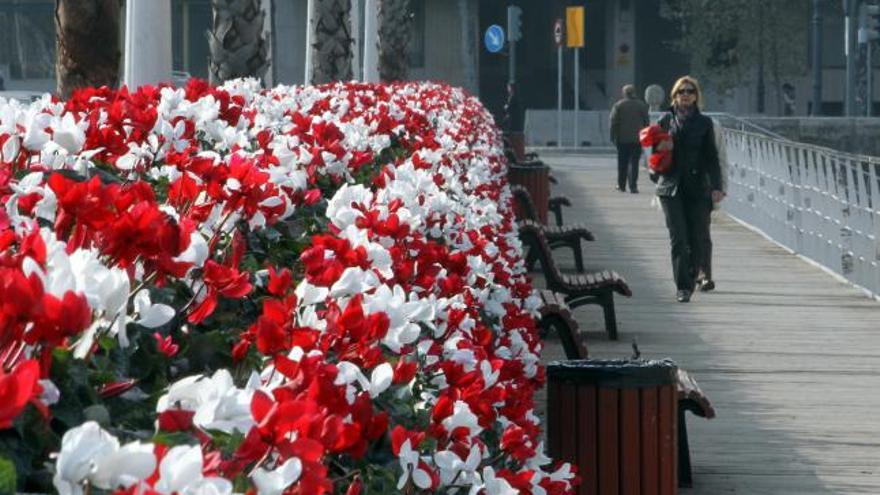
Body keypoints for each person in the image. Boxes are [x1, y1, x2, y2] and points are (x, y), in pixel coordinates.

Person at [651, 76, 723, 302]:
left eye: (690, 91)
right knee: (678, 238)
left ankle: (693, 275)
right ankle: (683, 287)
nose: (685, 95)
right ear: (674, 95)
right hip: (671, 186)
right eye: (681, 91)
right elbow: (654, 156)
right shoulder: (664, 120)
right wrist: (661, 150)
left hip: (698, 187)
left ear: (696, 96)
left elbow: (712, 158)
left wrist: (717, 186)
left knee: (698, 237)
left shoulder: (705, 124)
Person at [610, 84, 649, 193]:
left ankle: (621, 185)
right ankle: (633, 186)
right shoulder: (642, 105)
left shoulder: (618, 105)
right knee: (634, 163)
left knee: (622, 163)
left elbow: (613, 122)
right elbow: (647, 122)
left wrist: (612, 136)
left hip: (622, 139)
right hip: (637, 139)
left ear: (624, 93)